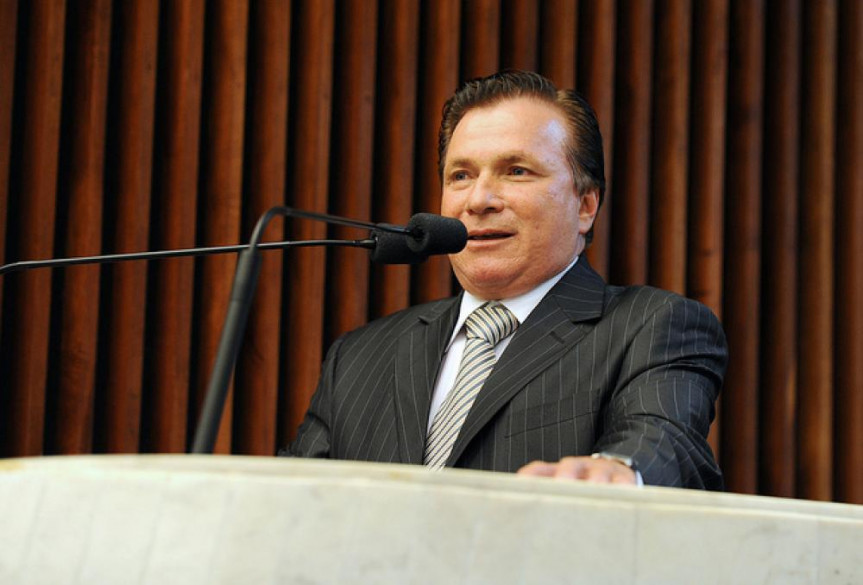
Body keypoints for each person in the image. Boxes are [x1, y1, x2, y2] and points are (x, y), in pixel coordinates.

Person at [282, 71, 726, 490]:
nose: (478, 200)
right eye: (461, 176)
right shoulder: (359, 355)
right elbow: (290, 501)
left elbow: (664, 439)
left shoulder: (652, 326)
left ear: (585, 206)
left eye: (516, 171)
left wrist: (618, 470)